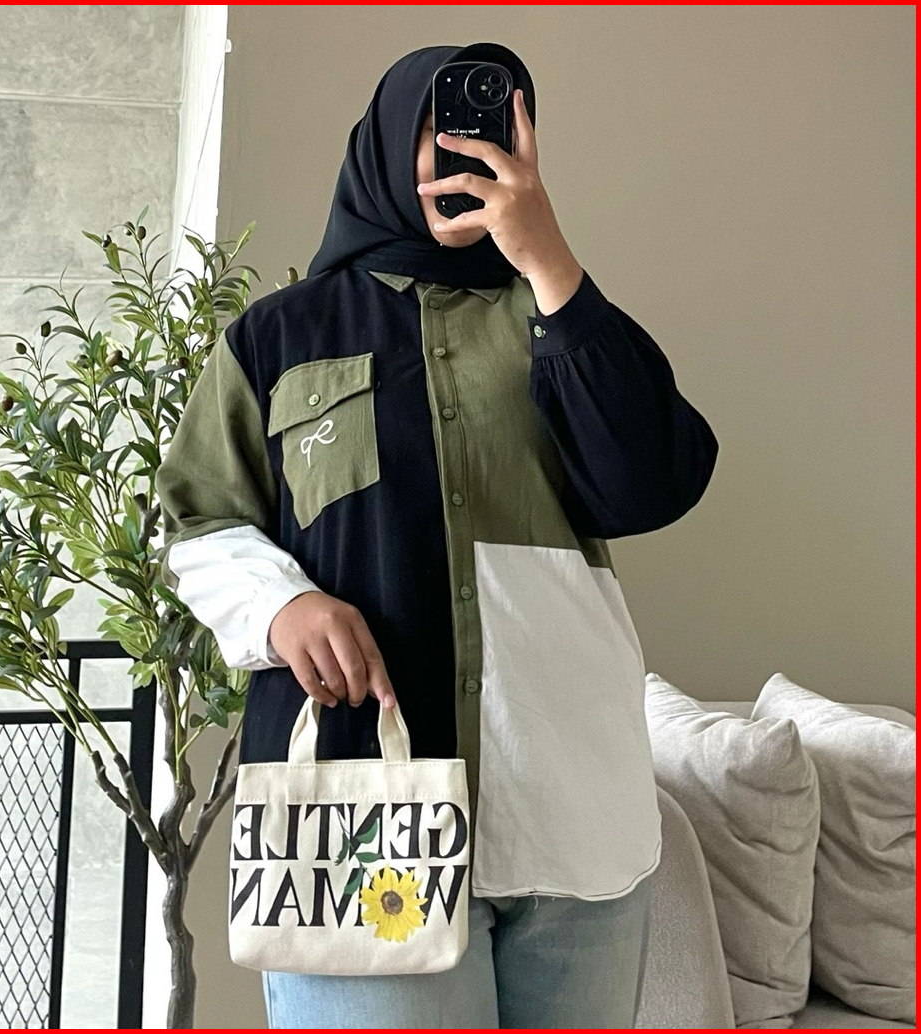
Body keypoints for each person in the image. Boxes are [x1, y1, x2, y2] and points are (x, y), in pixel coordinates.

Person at [156, 40, 719, 1030]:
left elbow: (651, 484)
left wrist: (548, 260)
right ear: (384, 143)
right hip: (356, 809)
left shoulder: (560, 320)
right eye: (437, 126)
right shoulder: (279, 336)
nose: (462, 150)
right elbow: (196, 516)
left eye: (489, 127)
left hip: (570, 800)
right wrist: (281, 604)